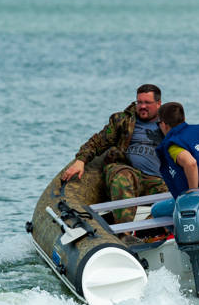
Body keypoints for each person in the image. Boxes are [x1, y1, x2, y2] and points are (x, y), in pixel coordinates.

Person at [61, 84, 168, 223]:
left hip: (155, 179)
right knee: (123, 177)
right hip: (128, 171)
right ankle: (125, 231)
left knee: (175, 197)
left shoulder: (169, 122)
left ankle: (149, 229)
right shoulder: (122, 120)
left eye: (147, 102)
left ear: (159, 103)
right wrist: (81, 160)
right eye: (139, 102)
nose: (142, 106)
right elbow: (98, 141)